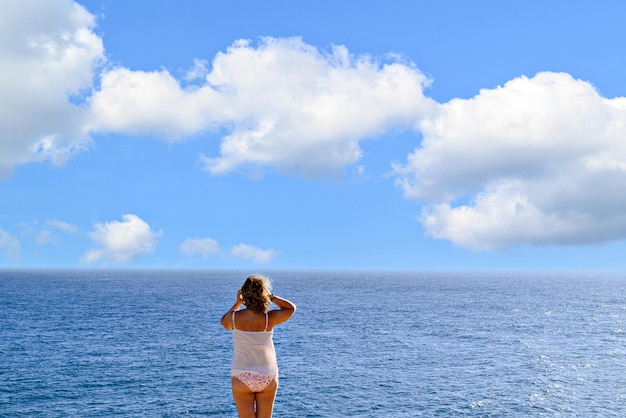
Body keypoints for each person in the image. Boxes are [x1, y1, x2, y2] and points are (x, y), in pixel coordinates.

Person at [220, 275, 296, 418]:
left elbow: (224, 323)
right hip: (267, 375)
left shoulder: (234, 318)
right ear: (262, 294)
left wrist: (237, 303)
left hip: (241, 376)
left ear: (244, 294)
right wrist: (270, 297)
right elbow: (291, 309)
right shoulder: (269, 318)